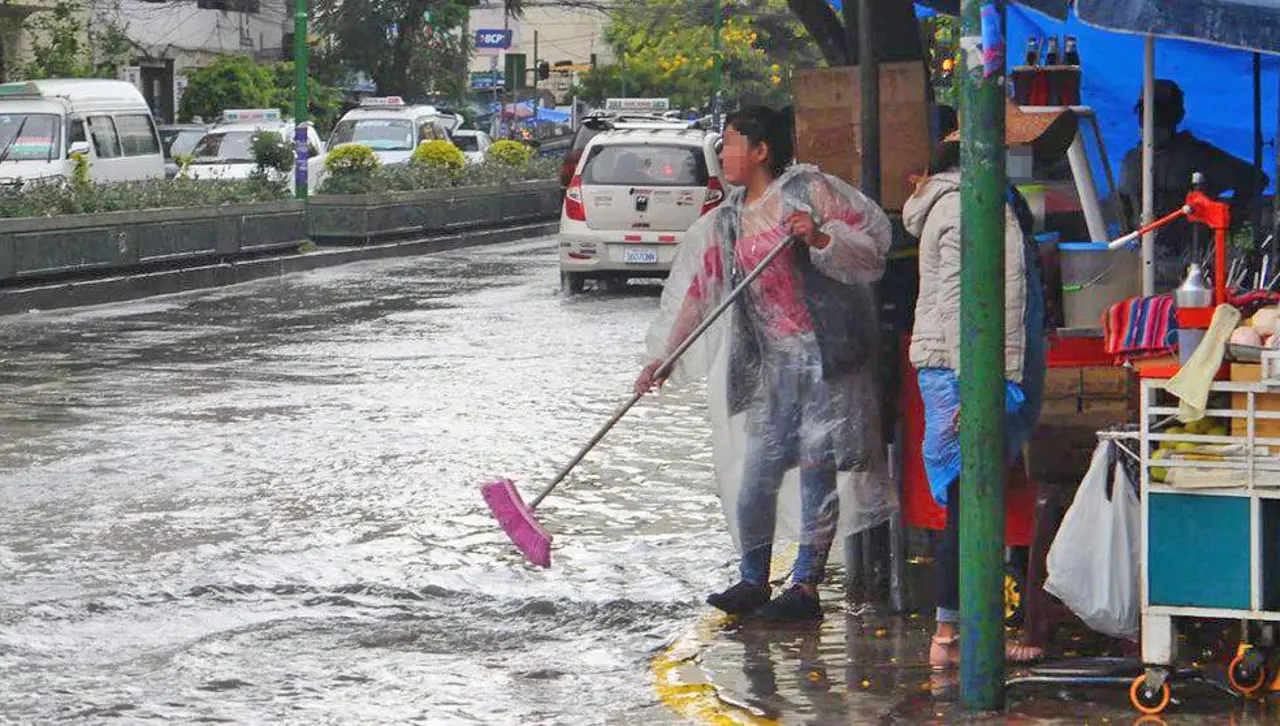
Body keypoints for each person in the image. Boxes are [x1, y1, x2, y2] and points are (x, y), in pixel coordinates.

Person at [635, 105, 895, 622]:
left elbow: (871, 250)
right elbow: (700, 294)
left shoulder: (807, 192)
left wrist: (820, 236)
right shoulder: (727, 220)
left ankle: (804, 588)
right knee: (756, 476)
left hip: (824, 360)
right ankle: (753, 578)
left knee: (818, 471)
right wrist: (666, 355)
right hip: (770, 368)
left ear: (760, 151)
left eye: (731, 141)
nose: (723, 152)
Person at [904, 101, 1077, 668]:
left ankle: (960, 631)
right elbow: (960, 303)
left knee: (975, 496)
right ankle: (953, 636)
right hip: (965, 371)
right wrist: (974, 385)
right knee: (966, 499)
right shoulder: (964, 206)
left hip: (976, 369)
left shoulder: (993, 201)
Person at [1117, 79, 1269, 290]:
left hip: (1191, 268)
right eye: (1146, 110)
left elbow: (1255, 179)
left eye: (1159, 111)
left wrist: (1226, 218)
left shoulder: (1198, 156)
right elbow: (1121, 211)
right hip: (1139, 265)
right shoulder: (1131, 161)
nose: (1152, 118)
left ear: (1177, 115)